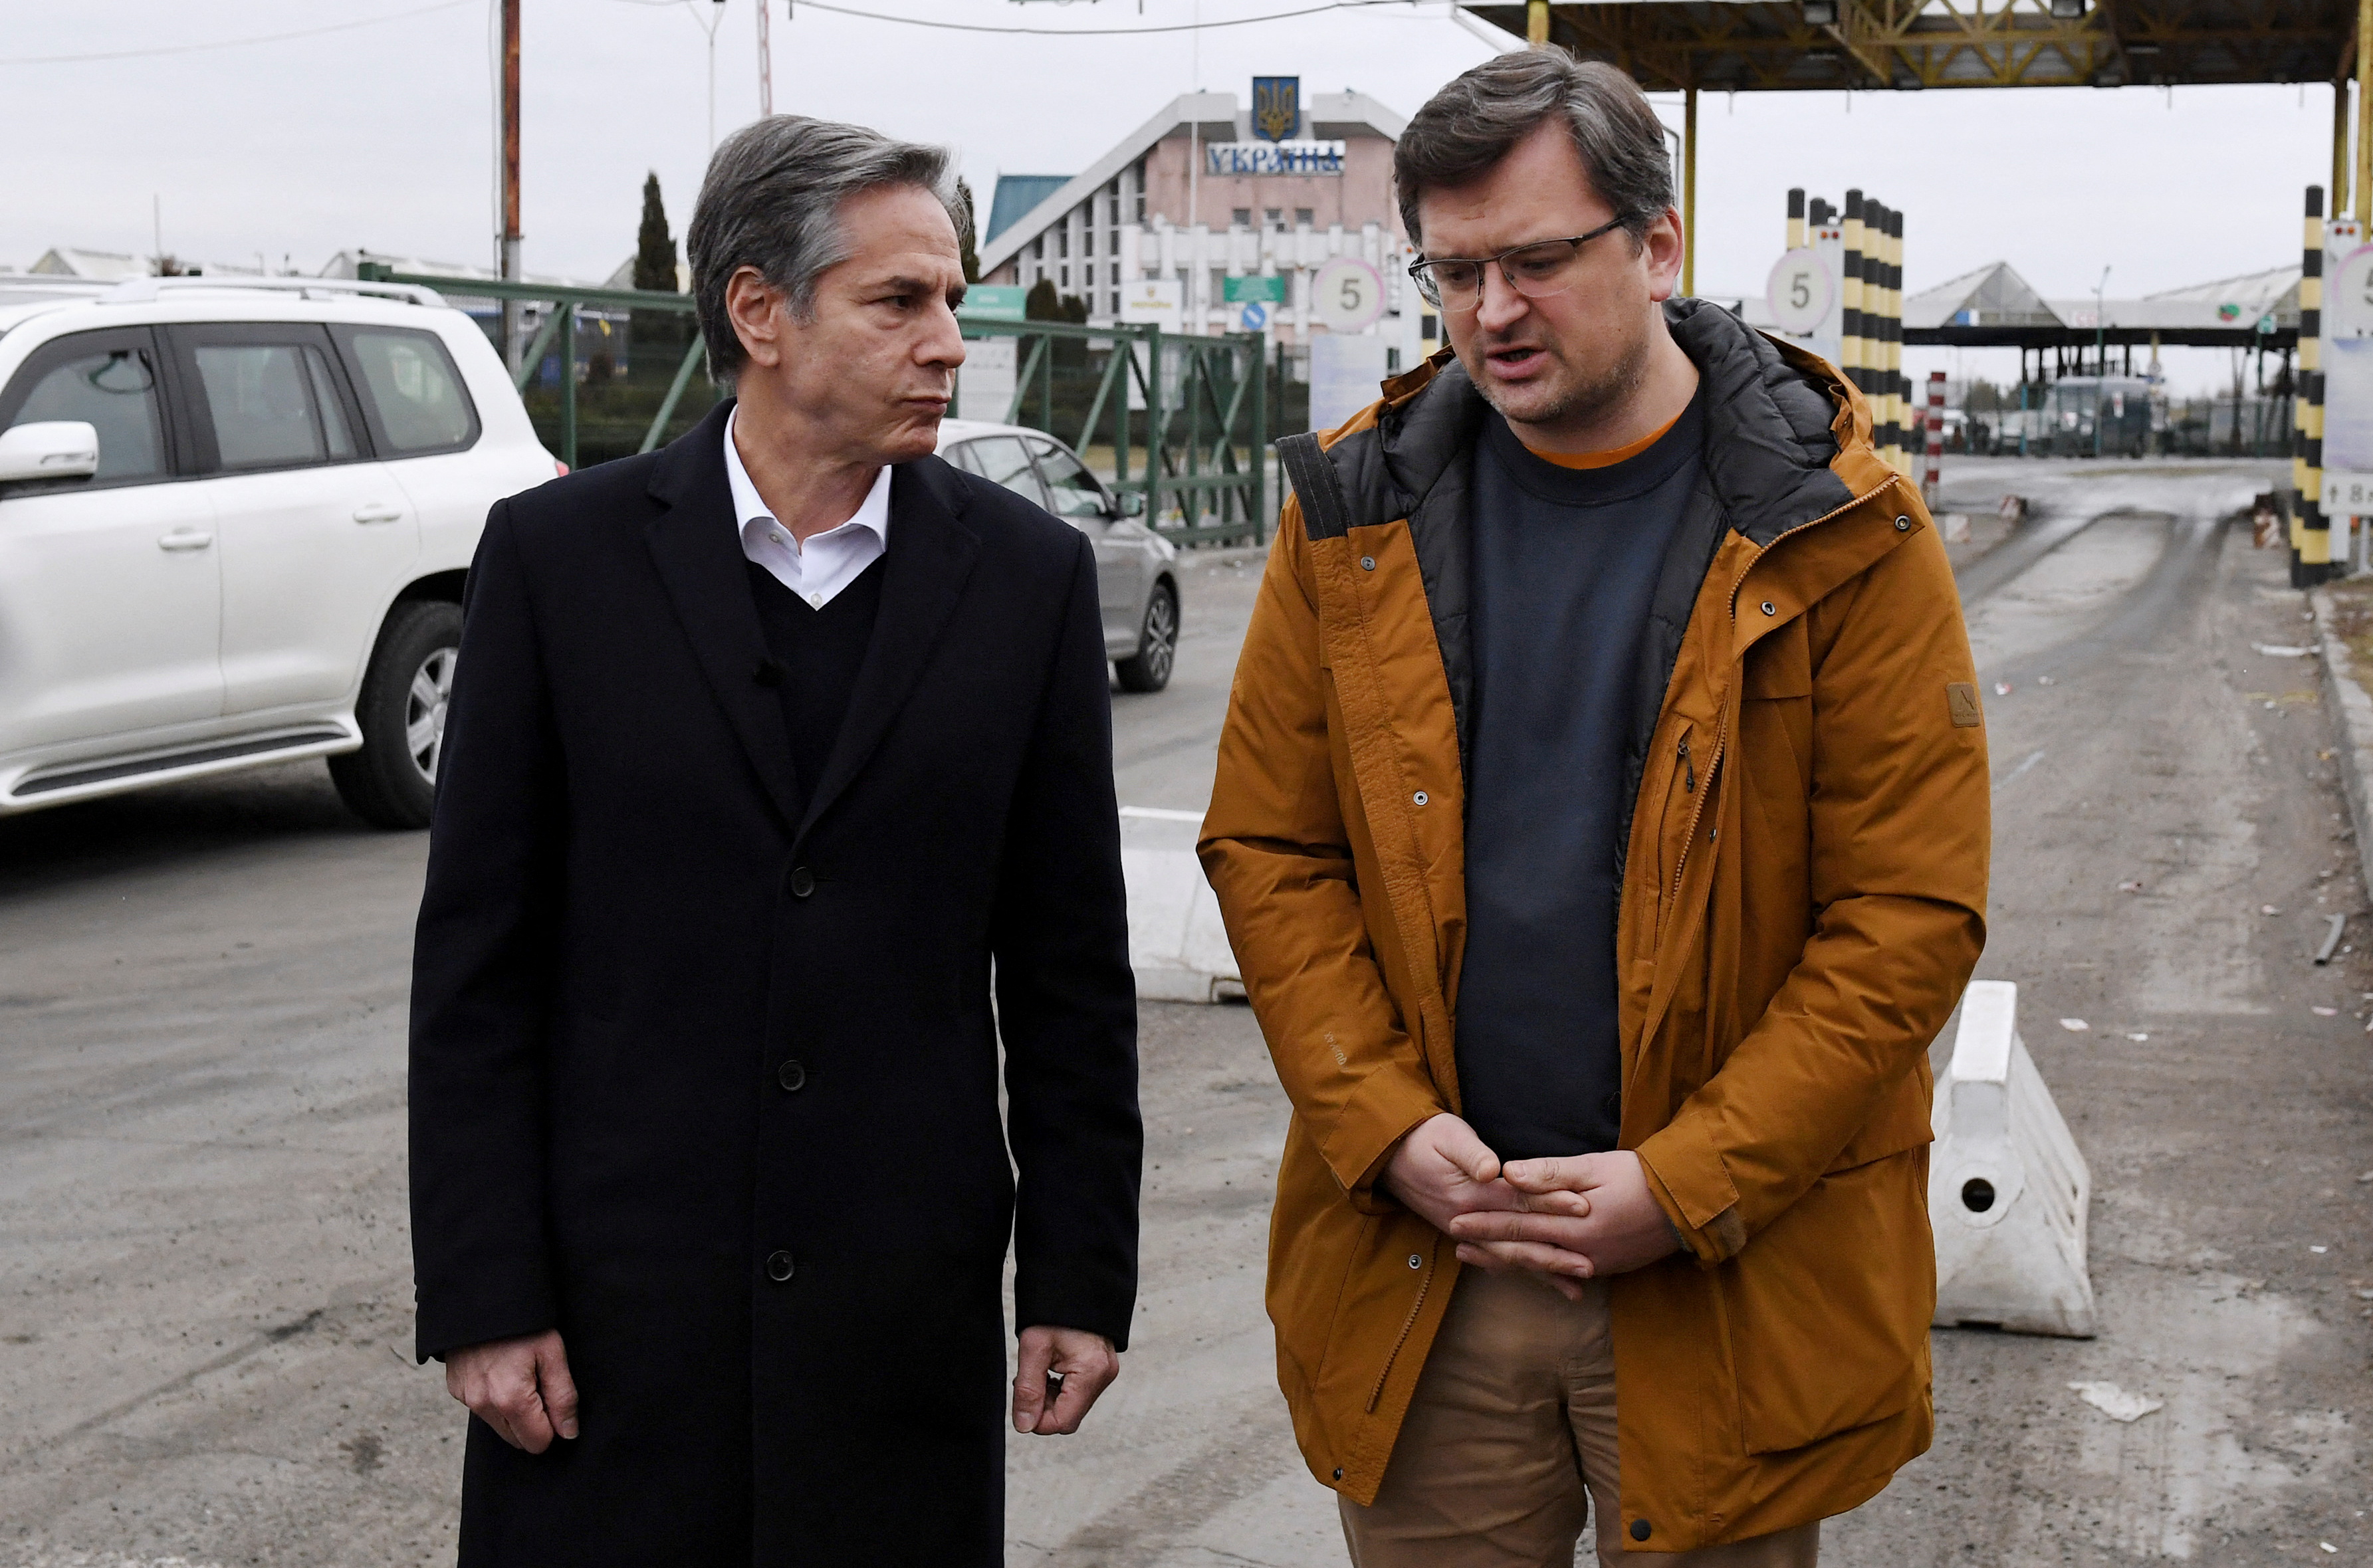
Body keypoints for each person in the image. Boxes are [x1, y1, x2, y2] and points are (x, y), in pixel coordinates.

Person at [1199, 49, 1988, 1568]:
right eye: (1455, 271)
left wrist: (1684, 1184)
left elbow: (1907, 918)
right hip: (1434, 1268)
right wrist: (1383, 1121)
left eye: (1538, 261)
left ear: (1660, 246)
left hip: (1721, 1275)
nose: (1493, 310)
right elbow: (1269, 846)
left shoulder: (1843, 534)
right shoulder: (1356, 519)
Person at [407, 116, 1141, 1566]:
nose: (950, 342)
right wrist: (485, 1291)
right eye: (900, 301)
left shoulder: (1028, 583)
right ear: (760, 312)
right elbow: (479, 963)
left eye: (952, 299)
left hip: (896, 1329)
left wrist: (1078, 1270)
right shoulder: (557, 564)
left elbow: (1068, 972)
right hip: (611, 1332)